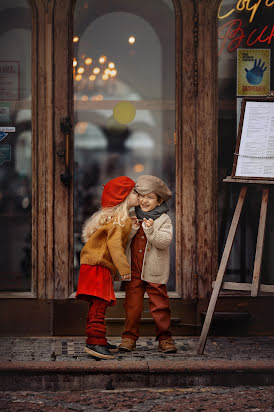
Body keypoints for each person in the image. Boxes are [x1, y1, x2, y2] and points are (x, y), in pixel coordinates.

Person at [76, 176, 139, 360]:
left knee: (98, 304)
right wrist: (124, 269)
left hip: (95, 266)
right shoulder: (118, 221)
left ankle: (99, 339)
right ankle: (94, 342)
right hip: (97, 268)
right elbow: (115, 247)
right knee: (99, 304)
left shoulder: (117, 220)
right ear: (123, 196)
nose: (138, 195)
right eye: (134, 192)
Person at [119, 175, 177, 353]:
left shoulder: (163, 219)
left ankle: (165, 338)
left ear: (159, 200)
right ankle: (129, 337)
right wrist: (133, 229)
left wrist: (150, 230)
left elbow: (164, 241)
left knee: (160, 305)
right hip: (134, 270)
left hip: (155, 270)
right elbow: (123, 241)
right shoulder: (130, 215)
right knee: (132, 306)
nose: (144, 200)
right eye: (142, 196)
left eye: (150, 197)